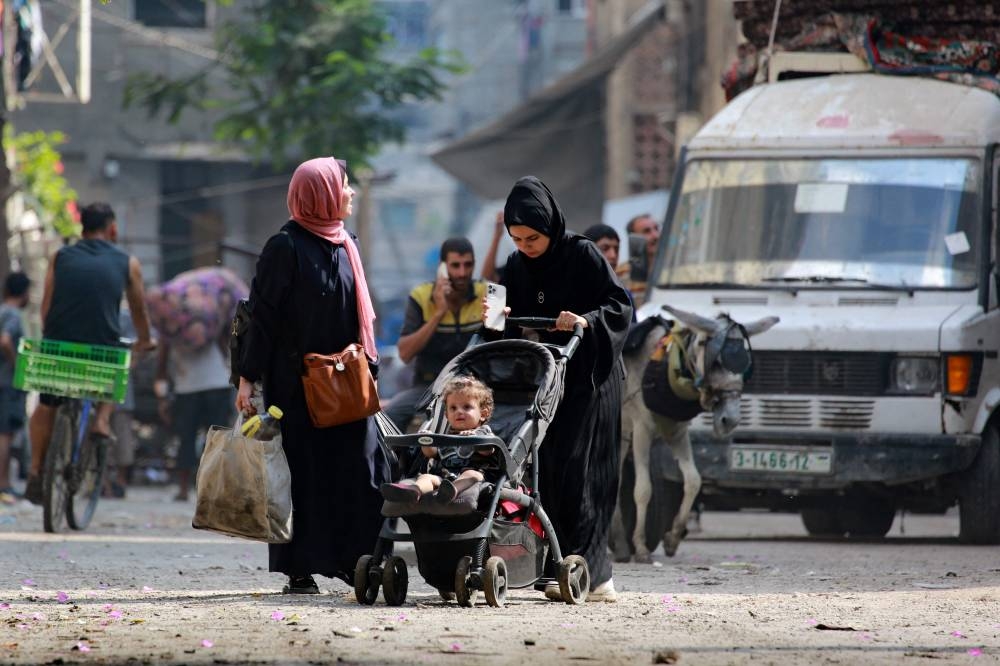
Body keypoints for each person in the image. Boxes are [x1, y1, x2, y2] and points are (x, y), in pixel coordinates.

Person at [234, 156, 388, 595]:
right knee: (303, 474)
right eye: (344, 185)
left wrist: (369, 369)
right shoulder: (285, 247)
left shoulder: (346, 243)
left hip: (347, 382)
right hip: (296, 386)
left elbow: (359, 316)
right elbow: (261, 318)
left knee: (359, 468)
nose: (351, 192)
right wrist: (248, 378)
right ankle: (299, 568)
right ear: (319, 194)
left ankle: (355, 561)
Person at [486, 176, 632, 602]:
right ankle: (559, 566)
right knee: (547, 471)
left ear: (550, 227)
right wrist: (495, 314)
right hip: (548, 381)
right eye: (517, 238)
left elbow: (618, 305)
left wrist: (585, 319)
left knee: (585, 474)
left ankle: (595, 574)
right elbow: (494, 323)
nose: (526, 246)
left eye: (533, 237)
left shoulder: (582, 253)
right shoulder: (514, 265)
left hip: (592, 378)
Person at [24, 203, 155, 505]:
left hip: (59, 345)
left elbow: (46, 305)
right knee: (123, 358)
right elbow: (138, 309)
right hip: (102, 349)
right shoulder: (127, 262)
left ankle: (34, 471)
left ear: (81, 228)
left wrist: (52, 337)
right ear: (112, 229)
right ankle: (102, 420)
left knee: (45, 406)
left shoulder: (60, 256)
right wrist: (146, 341)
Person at [384, 237, 487, 432]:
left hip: (474, 386)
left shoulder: (485, 294)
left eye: (468, 265)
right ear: (442, 267)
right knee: (390, 417)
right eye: (455, 265)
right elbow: (405, 354)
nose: (462, 273)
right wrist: (438, 313)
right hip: (428, 385)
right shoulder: (421, 296)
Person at [380, 375, 495, 509]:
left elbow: (488, 451)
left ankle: (453, 491)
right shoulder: (445, 436)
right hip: (443, 476)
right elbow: (432, 454)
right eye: (453, 408)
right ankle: (413, 492)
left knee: (473, 475)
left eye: (466, 407)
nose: (459, 412)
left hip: (470, 475)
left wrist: (474, 439)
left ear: (483, 414)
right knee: (426, 477)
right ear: (447, 415)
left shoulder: (483, 432)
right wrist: (427, 442)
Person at [157, 337, 234, 502]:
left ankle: (184, 489)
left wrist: (162, 398)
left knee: (186, 438)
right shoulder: (211, 320)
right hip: (216, 383)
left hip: (188, 387)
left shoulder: (172, 327)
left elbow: (161, 365)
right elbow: (226, 345)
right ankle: (212, 489)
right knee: (216, 439)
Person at [0, 272, 29, 504]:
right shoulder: (13, 314)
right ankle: (4, 484)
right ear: (24, 292)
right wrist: (16, 364)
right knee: (5, 434)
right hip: (6, 383)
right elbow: (5, 340)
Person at [584, 224, 636, 322]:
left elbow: (632, 334)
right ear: (588, 250)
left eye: (616, 249)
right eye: (605, 248)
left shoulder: (624, 295)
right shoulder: (570, 290)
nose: (613, 255)